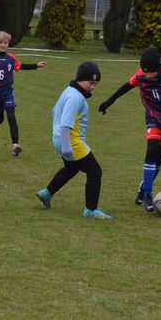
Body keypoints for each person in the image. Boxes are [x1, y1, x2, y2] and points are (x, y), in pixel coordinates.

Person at [98, 48, 161, 212]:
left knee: (158, 160)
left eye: (150, 72)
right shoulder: (140, 76)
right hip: (153, 118)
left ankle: (142, 190)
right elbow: (126, 87)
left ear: (158, 68)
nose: (147, 75)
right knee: (151, 152)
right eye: (145, 72)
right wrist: (109, 101)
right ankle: (147, 195)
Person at [36, 62, 112, 220]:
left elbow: (54, 112)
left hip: (60, 139)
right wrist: (66, 147)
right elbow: (65, 124)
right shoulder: (76, 97)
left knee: (71, 168)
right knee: (95, 171)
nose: (93, 87)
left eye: (96, 84)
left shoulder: (69, 91)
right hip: (70, 142)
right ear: (81, 79)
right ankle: (91, 209)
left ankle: (46, 193)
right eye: (91, 83)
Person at [0, 30, 47, 156]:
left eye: (5, 43)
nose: (3, 45)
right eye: (0, 42)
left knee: (11, 116)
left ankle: (15, 145)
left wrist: (36, 65)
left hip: (7, 91)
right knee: (0, 120)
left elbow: (20, 66)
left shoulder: (11, 58)